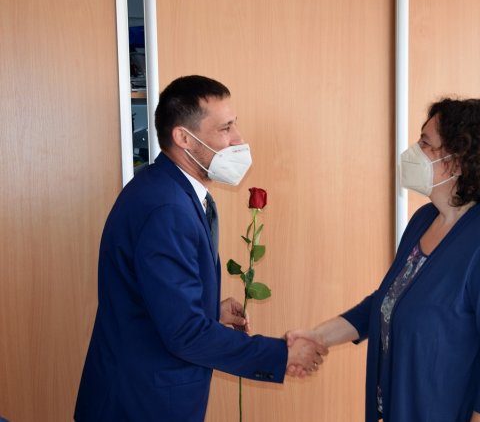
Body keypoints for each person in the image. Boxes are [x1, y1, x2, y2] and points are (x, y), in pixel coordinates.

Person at [75, 75, 327, 422]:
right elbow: (184, 333)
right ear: (184, 138)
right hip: (142, 403)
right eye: (225, 128)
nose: (238, 139)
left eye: (234, 124)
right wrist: (281, 355)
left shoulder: (169, 189)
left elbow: (154, 298)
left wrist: (209, 309)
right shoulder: (167, 209)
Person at [287, 98, 480, 421]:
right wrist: (319, 336)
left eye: (425, 143)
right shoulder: (425, 219)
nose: (413, 152)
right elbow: (388, 300)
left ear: (459, 160)